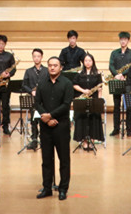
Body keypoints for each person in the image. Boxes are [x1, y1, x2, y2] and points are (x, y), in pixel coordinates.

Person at [35, 56, 74, 201]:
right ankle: (47, 188)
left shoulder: (67, 83)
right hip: (45, 127)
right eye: (50, 65)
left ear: (60, 68)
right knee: (46, 159)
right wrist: (46, 118)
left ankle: (63, 189)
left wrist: (50, 115)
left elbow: (66, 104)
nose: (52, 67)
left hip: (61, 126)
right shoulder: (41, 83)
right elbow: (37, 103)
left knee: (64, 159)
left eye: (55, 65)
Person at [72, 53, 104, 150]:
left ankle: (92, 141)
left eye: (90, 60)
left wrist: (99, 101)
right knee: (82, 119)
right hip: (82, 99)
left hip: (94, 100)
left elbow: (100, 88)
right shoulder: (79, 73)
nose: (88, 62)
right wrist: (83, 91)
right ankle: (84, 141)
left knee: (93, 119)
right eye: (86, 60)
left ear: (93, 62)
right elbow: (74, 85)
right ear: (83, 62)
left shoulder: (97, 74)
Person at [108, 31, 131, 137]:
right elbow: (111, 66)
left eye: (125, 39)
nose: (123, 41)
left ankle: (129, 129)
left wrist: (123, 74)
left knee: (129, 106)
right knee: (116, 106)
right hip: (116, 81)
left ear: (128, 41)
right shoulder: (114, 53)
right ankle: (116, 128)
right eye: (121, 39)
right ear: (119, 40)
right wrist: (117, 75)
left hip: (128, 82)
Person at [21, 48, 46, 150]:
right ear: (32, 57)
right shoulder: (28, 71)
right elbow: (24, 85)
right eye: (34, 56)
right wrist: (31, 91)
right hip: (33, 99)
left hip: (44, 100)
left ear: (41, 57)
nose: (36, 58)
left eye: (38, 56)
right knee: (33, 120)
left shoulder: (46, 70)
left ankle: (44, 140)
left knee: (44, 119)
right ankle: (34, 140)